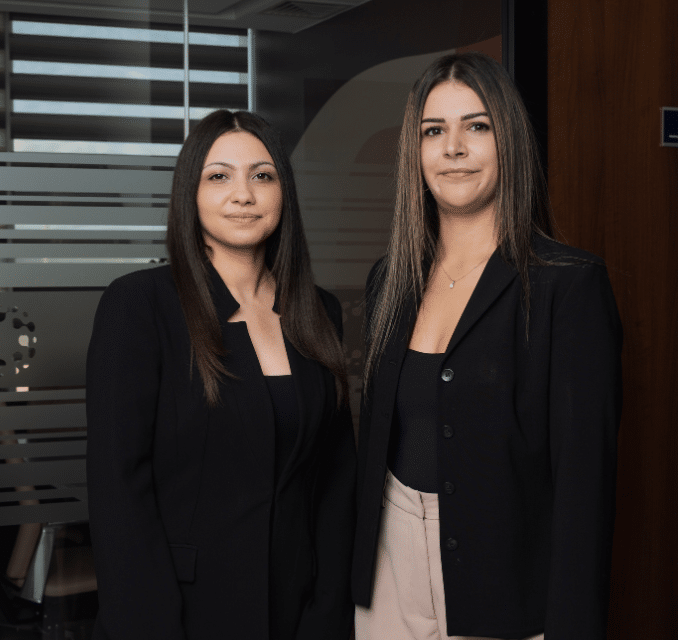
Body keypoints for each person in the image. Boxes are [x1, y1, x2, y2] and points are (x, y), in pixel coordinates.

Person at [352, 52, 622, 640]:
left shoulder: (568, 284)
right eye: (434, 131)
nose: (453, 148)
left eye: (477, 126)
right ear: (415, 151)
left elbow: (584, 492)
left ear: (510, 142)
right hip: (386, 576)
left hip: (503, 587)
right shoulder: (389, 281)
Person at [85, 110, 356, 640]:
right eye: (218, 176)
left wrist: (327, 609)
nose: (243, 195)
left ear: (284, 192)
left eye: (262, 175)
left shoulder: (318, 310)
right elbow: (119, 491)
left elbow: (334, 480)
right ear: (191, 193)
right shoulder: (139, 306)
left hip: (299, 613)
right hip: (179, 612)